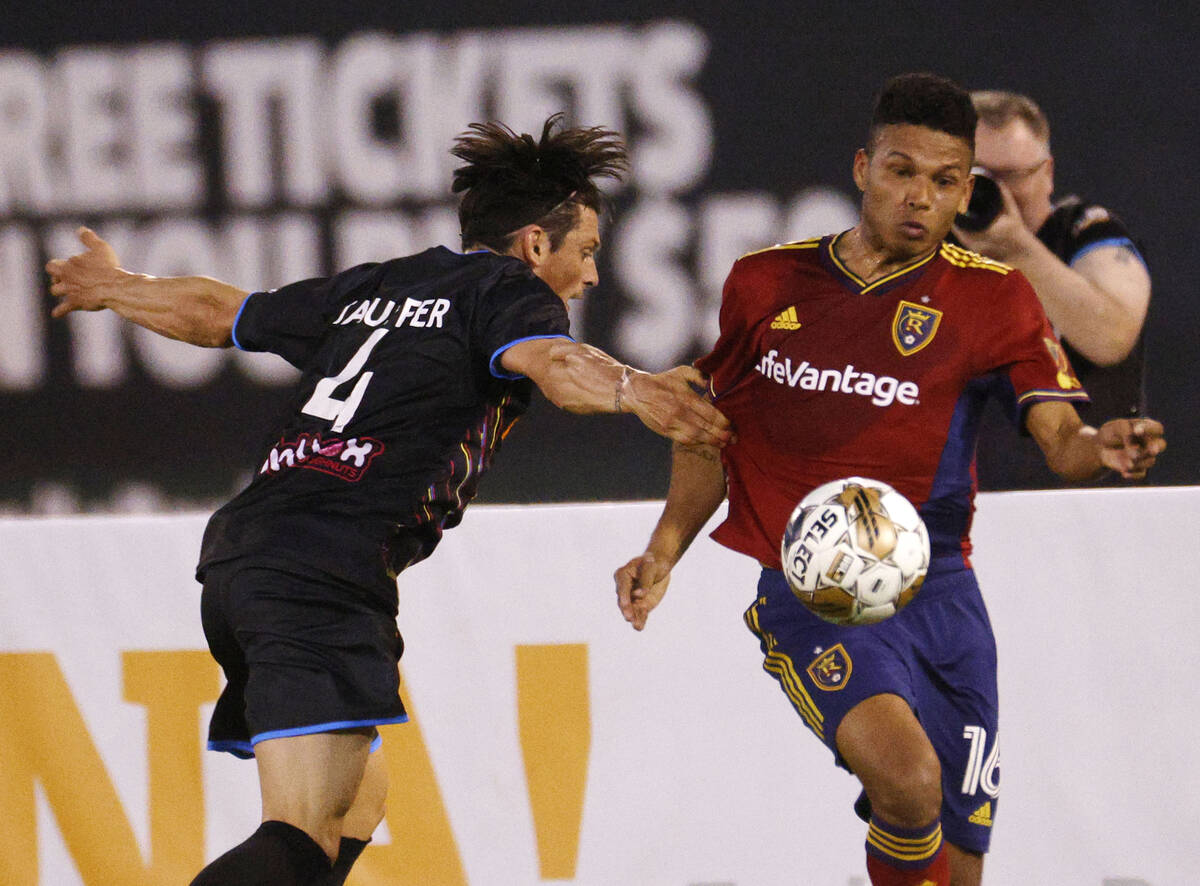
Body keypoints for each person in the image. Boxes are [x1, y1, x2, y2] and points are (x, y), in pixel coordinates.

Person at [47, 114, 732, 886]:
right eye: (587, 251)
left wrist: (118, 288)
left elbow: (219, 314)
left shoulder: (381, 285)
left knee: (356, 804)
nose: (593, 275)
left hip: (247, 554)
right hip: (322, 564)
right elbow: (554, 363)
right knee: (300, 832)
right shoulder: (509, 292)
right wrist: (633, 387)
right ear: (536, 246)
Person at [614, 74, 1165, 886]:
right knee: (908, 784)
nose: (921, 198)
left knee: (961, 863)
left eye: (946, 182)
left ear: (965, 190)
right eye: (903, 172)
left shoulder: (997, 298)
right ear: (864, 167)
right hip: (814, 591)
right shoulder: (765, 282)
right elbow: (706, 426)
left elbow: (1059, 439)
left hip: (940, 591)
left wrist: (1102, 446)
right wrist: (664, 548)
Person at [953, 90, 1152, 489]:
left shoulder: (1087, 233)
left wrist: (1015, 249)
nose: (993, 195)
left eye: (1009, 177)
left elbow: (1112, 334)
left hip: (1085, 512)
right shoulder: (925, 252)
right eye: (975, 177)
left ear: (1047, 173)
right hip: (958, 516)